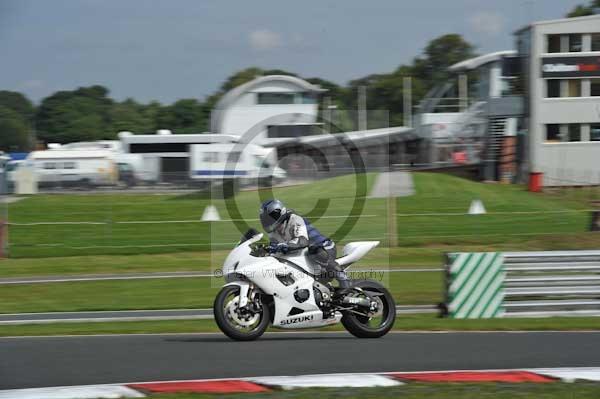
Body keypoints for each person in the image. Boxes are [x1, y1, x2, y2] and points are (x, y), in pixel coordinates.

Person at [259, 199, 350, 290]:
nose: (269, 221)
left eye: (271, 217)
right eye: (266, 219)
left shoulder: (294, 219)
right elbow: (275, 248)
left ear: (280, 213)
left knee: (314, 250)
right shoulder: (273, 231)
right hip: (302, 252)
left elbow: (303, 241)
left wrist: (285, 246)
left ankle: (343, 279)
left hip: (324, 247)